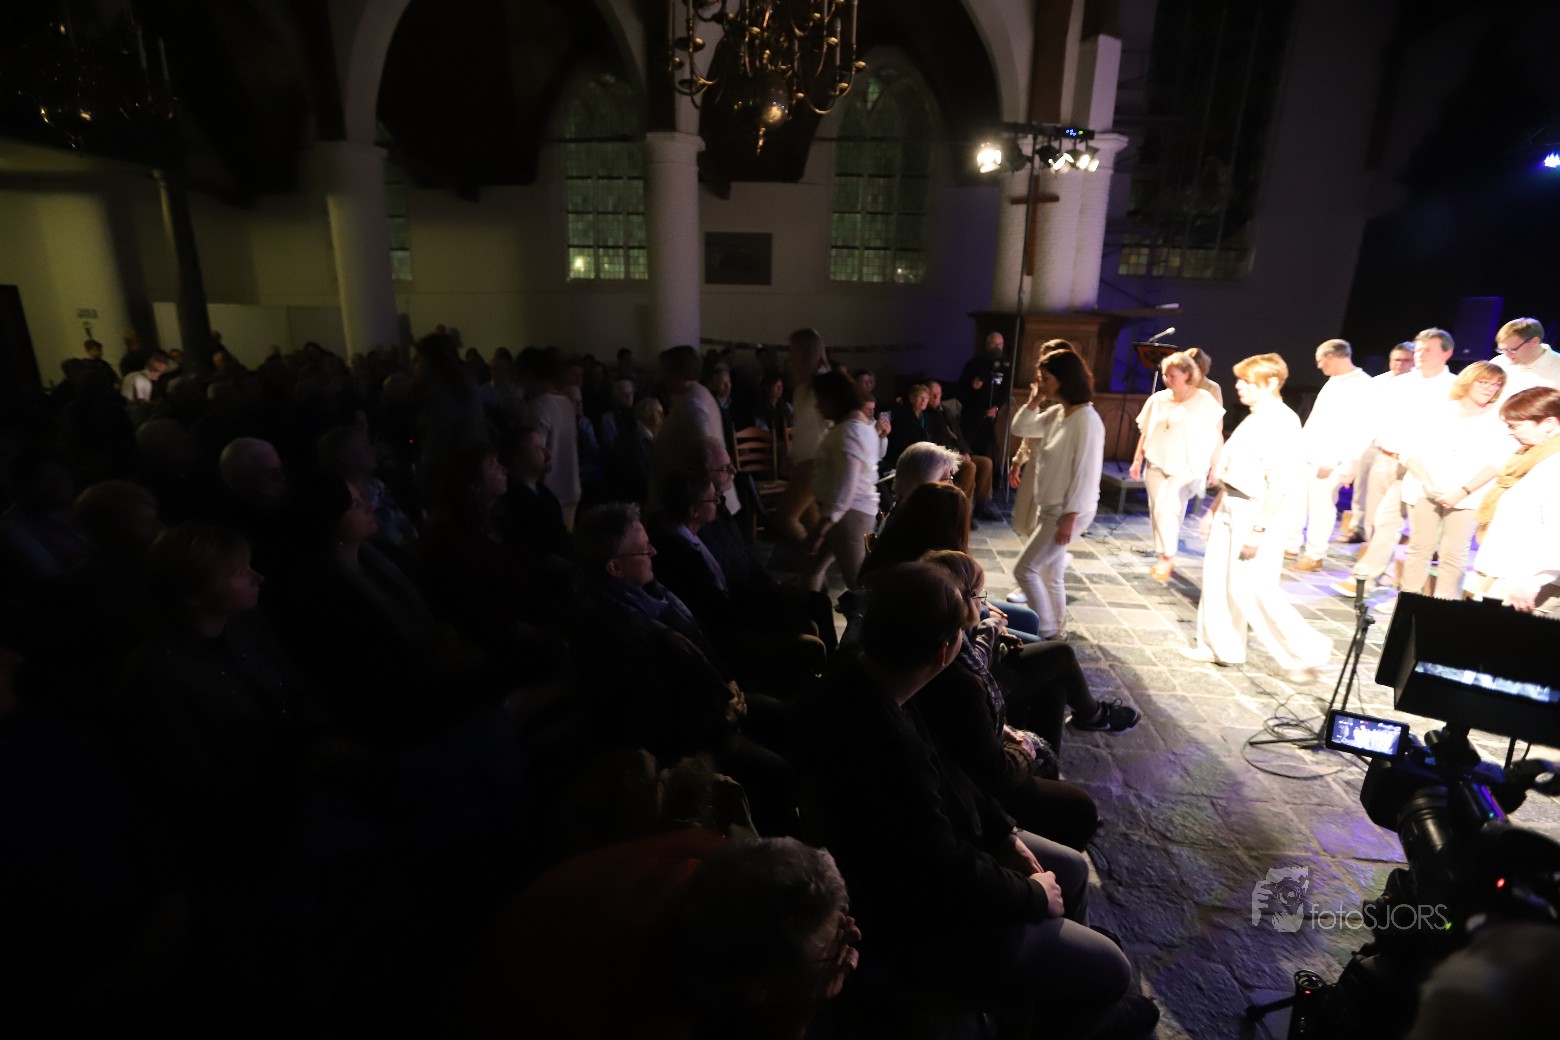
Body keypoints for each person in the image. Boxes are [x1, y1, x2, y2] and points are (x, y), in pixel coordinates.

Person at [793, 562, 1155, 1040]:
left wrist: (1004, 833)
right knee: (1112, 968)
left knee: (1067, 866)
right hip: (916, 920)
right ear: (945, 649)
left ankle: (1048, 994)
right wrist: (1031, 894)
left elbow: (947, 768)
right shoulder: (884, 746)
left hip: (921, 872)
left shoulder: (871, 676)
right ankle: (1061, 1001)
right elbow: (942, 868)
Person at [914, 550, 1105, 850]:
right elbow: (994, 774)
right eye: (981, 596)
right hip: (980, 794)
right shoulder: (959, 678)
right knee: (1082, 807)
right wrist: (1024, 750)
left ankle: (1050, 784)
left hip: (979, 763)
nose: (985, 604)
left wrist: (1006, 732)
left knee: (1053, 681)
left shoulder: (942, 647)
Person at [1181, 354, 1332, 681]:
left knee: (1253, 587)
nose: (1240, 386)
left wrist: (1259, 528)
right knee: (1218, 580)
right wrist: (1213, 510)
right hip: (1232, 503)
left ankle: (1307, 652)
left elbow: (1280, 482)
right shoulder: (1255, 417)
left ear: (1271, 383)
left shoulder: (1281, 421)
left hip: (1256, 510)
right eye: (1241, 380)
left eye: (1248, 381)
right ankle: (1220, 647)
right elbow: (1236, 470)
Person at [1340, 328, 1457, 598]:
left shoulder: (1454, 388)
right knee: (1378, 521)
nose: (1421, 354)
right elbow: (1370, 422)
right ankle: (1380, 574)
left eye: (1428, 350)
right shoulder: (1398, 384)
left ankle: (1375, 578)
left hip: (1424, 467)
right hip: (1388, 457)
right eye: (1418, 349)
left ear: (1447, 353)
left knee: (1407, 527)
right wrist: (1353, 459)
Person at [1007, 348, 1105, 639]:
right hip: (1051, 506)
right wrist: (1035, 399)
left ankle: (1046, 629)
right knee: (1050, 572)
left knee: (1025, 570)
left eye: (1046, 379)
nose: (1041, 383)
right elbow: (1020, 427)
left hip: (1068, 511)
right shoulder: (1057, 413)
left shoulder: (1086, 420)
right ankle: (1056, 628)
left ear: (1064, 380)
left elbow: (1085, 472)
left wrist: (1071, 516)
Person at [1397, 362, 1510, 601]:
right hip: (1426, 489)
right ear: (1468, 381)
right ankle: (1407, 604)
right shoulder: (1438, 409)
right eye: (1484, 382)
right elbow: (1408, 451)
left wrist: (1463, 490)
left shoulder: (1500, 418)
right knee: (1420, 549)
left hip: (1469, 495)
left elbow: (1499, 462)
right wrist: (1427, 482)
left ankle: (1444, 609)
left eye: (1496, 384)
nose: (1490, 388)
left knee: (1454, 554)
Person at [1128, 350, 1224, 580]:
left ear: (1187, 374)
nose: (1167, 379)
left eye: (1173, 375)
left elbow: (1216, 434)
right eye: (1165, 375)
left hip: (1186, 466)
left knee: (1167, 506)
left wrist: (1216, 465)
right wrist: (1137, 459)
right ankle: (1164, 551)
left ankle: (1167, 557)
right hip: (1156, 463)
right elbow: (1146, 432)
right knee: (1158, 509)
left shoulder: (1203, 400)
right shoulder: (1157, 400)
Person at [1464, 387, 1560, 613]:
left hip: (1526, 582)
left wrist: (1532, 581)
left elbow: (1556, 530)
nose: (1510, 432)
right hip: (1504, 570)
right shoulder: (1529, 456)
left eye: (1515, 426)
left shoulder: (1555, 464)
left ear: (1548, 423)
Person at [1286, 339, 1373, 570]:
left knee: (1321, 507)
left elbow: (1359, 428)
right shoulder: (1335, 381)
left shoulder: (1362, 384)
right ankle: (1291, 544)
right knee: (1296, 502)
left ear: (1332, 357)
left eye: (1320, 360)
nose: (1319, 366)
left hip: (1329, 459)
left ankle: (1315, 554)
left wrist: (1334, 461)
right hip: (1309, 454)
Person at [804, 371, 880, 595]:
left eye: (820, 400)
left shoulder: (850, 431)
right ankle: (809, 611)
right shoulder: (857, 426)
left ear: (834, 399)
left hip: (849, 515)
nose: (817, 406)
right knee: (813, 569)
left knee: (857, 584)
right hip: (842, 514)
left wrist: (822, 526)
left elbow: (846, 487)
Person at [1341, 341, 1416, 541]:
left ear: (1414, 361)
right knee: (1362, 486)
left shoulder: (1418, 385)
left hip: (1396, 447)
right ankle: (1358, 527)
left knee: (1392, 493)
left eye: (1405, 360)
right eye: (1396, 360)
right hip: (1372, 441)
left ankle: (1388, 533)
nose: (1400, 364)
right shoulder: (1378, 382)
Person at [775, 328, 830, 543]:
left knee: (786, 518)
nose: (789, 357)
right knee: (811, 525)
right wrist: (792, 454)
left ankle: (813, 559)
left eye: (792, 351)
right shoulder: (806, 385)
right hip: (806, 460)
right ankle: (815, 564)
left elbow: (829, 424)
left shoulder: (822, 383)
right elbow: (804, 427)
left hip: (814, 461)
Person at [928, 380, 1001, 522]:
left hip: (959, 452)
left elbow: (958, 435)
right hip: (945, 456)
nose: (936, 397)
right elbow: (935, 442)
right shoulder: (927, 415)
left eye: (938, 393)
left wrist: (966, 451)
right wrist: (955, 455)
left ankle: (981, 506)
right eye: (932, 394)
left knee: (986, 462)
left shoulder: (945, 411)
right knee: (970, 467)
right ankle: (963, 511)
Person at [957, 331, 1012, 459]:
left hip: (990, 415)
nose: (997, 347)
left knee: (985, 449)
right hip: (971, 415)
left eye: (1000, 344)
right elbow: (960, 389)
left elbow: (1005, 391)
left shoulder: (1005, 366)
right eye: (994, 344)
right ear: (987, 345)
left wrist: (996, 407)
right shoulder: (974, 363)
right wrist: (972, 386)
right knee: (968, 448)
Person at [1490, 316, 1560, 397]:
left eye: (1511, 350)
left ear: (1534, 342)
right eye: (1502, 350)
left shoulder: (1557, 367)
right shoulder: (1499, 362)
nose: (1506, 355)